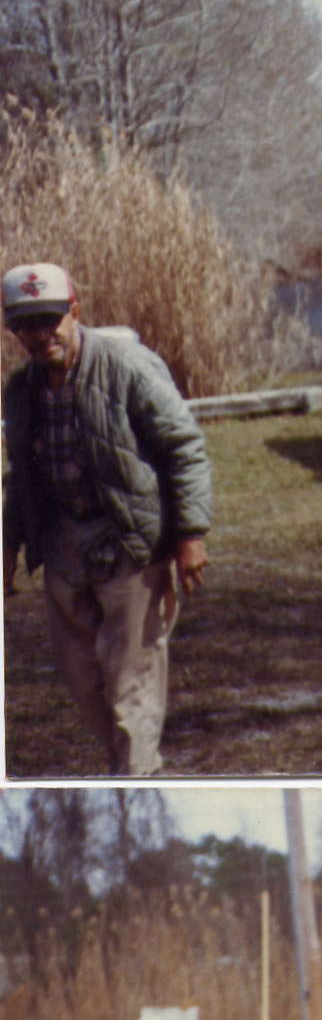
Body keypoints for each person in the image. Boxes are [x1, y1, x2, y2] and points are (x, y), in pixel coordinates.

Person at [2, 261, 211, 775]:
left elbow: (184, 449)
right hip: (62, 546)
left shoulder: (127, 366)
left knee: (129, 677)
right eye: (24, 324)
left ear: (74, 312)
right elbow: (20, 481)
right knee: (81, 679)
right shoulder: (20, 389)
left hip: (129, 538)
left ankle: (136, 774)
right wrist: (7, 550)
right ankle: (130, 763)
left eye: (49, 319)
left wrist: (191, 536)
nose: (38, 334)